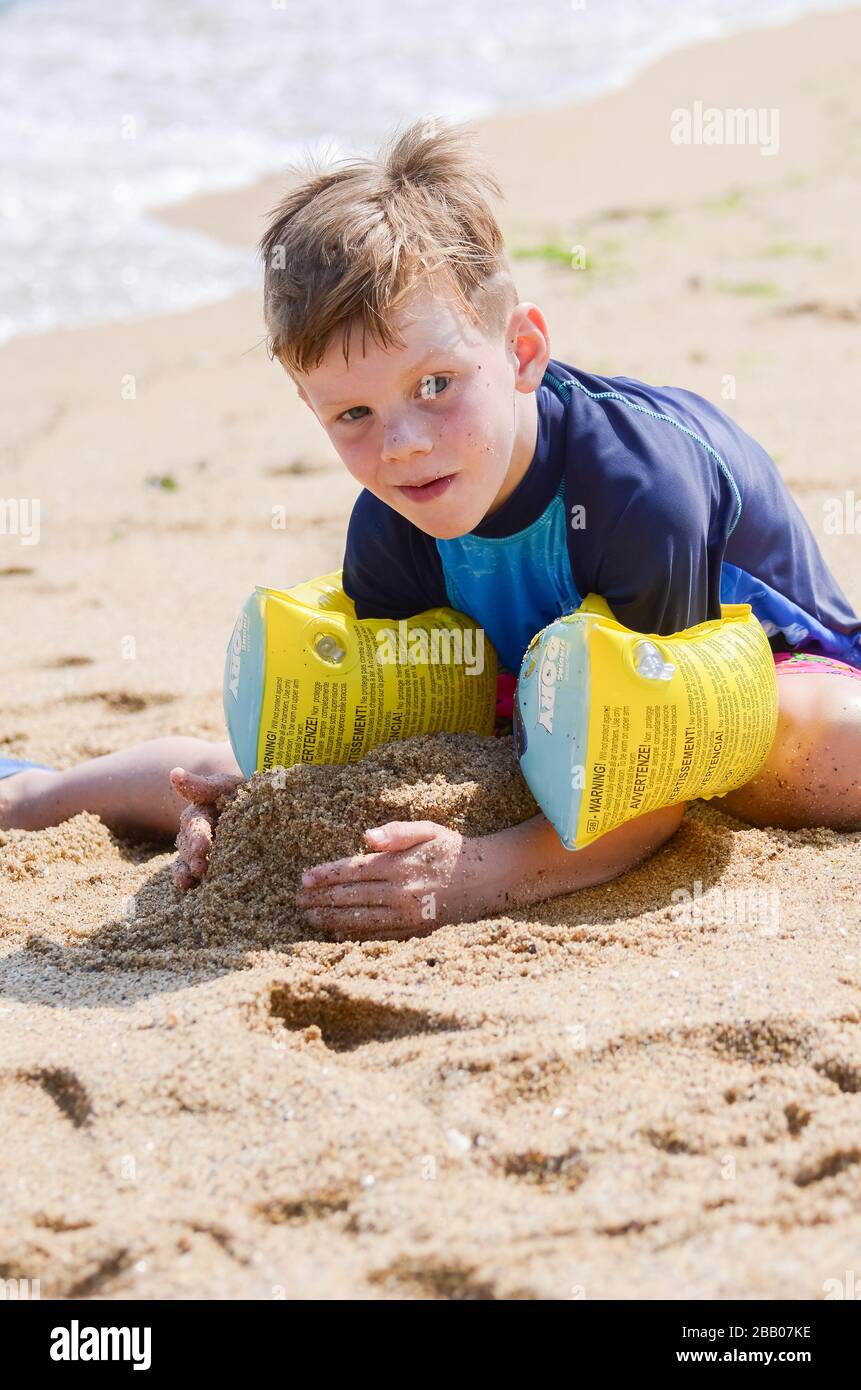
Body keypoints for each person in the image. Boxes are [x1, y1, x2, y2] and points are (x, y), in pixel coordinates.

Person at [3, 118, 860, 938]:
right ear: (310, 407)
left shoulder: (639, 488)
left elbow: (649, 780)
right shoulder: (391, 522)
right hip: (536, 692)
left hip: (747, 674)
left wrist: (474, 873)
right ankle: (33, 794)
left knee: (800, 748)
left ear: (522, 353)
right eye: (352, 414)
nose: (401, 446)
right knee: (252, 767)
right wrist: (256, 816)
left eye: (436, 385)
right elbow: (381, 748)